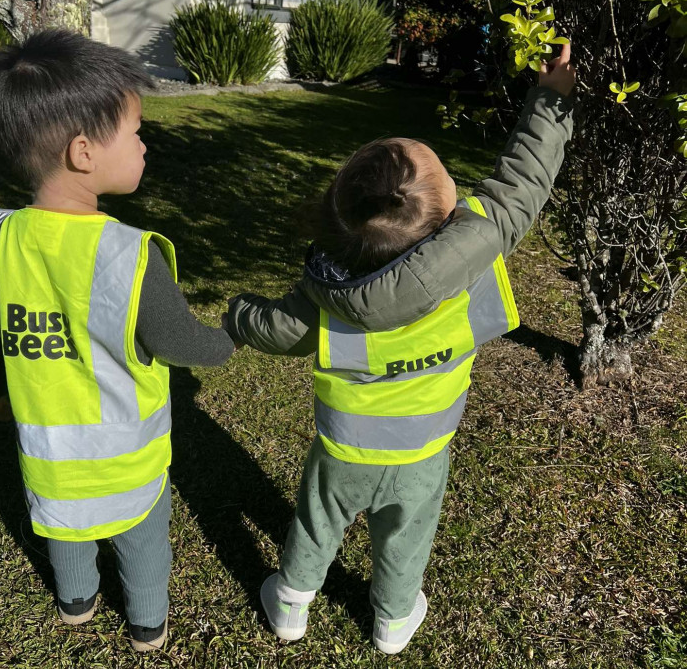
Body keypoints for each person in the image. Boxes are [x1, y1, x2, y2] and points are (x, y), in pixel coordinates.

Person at [226, 45, 576, 654]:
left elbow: (273, 328)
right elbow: (523, 184)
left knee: (316, 524)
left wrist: (238, 314)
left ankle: (289, 603)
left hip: (342, 450)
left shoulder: (321, 299)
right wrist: (550, 99)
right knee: (406, 537)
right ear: (447, 219)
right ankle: (391, 622)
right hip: (423, 452)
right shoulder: (476, 255)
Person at [0, 29, 235, 652]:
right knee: (142, 538)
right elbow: (183, 343)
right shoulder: (128, 255)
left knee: (65, 531)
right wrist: (229, 338)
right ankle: (146, 623)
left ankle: (77, 601)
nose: (145, 145)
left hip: (49, 455)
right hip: (128, 460)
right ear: (83, 153)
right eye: (137, 133)